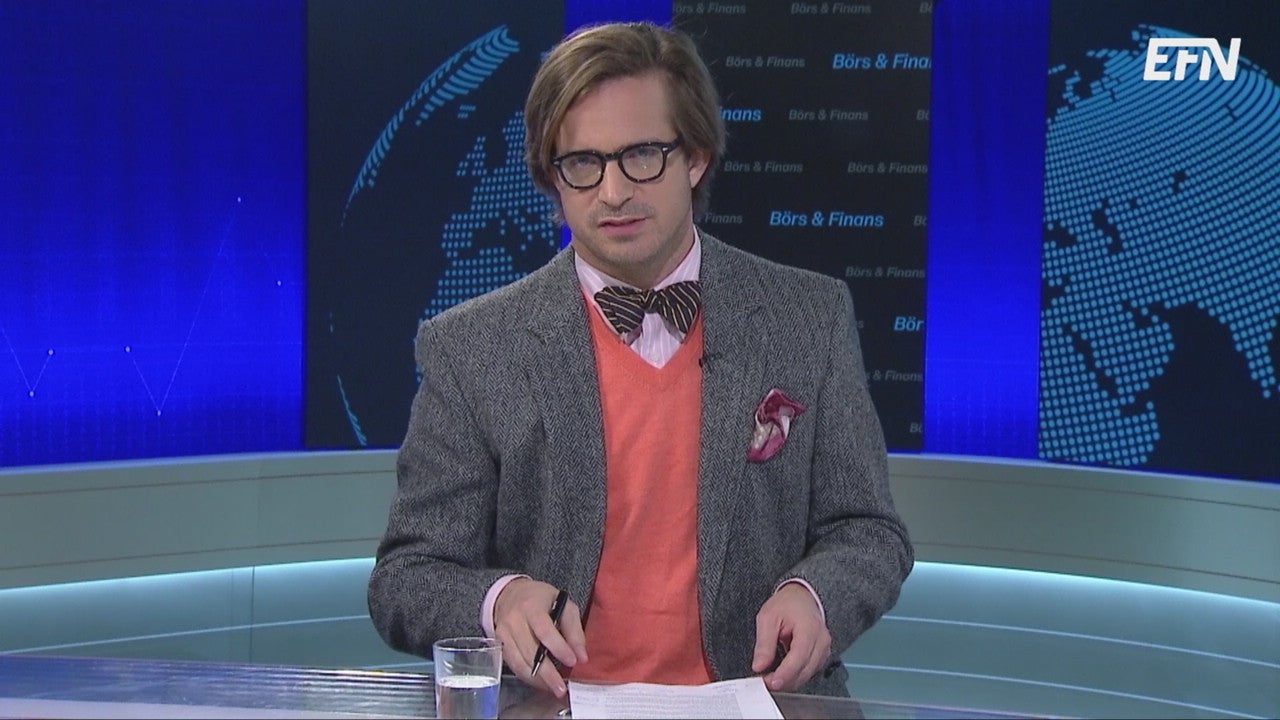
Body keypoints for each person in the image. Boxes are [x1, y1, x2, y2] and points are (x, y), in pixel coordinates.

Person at [367, 20, 913, 699]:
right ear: (552, 177)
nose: (613, 191)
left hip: (756, 702)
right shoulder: (473, 347)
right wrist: (498, 599)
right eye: (582, 164)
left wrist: (816, 594)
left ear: (696, 157)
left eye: (642, 156)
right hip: (554, 708)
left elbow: (868, 531)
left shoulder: (808, 317)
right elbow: (407, 578)